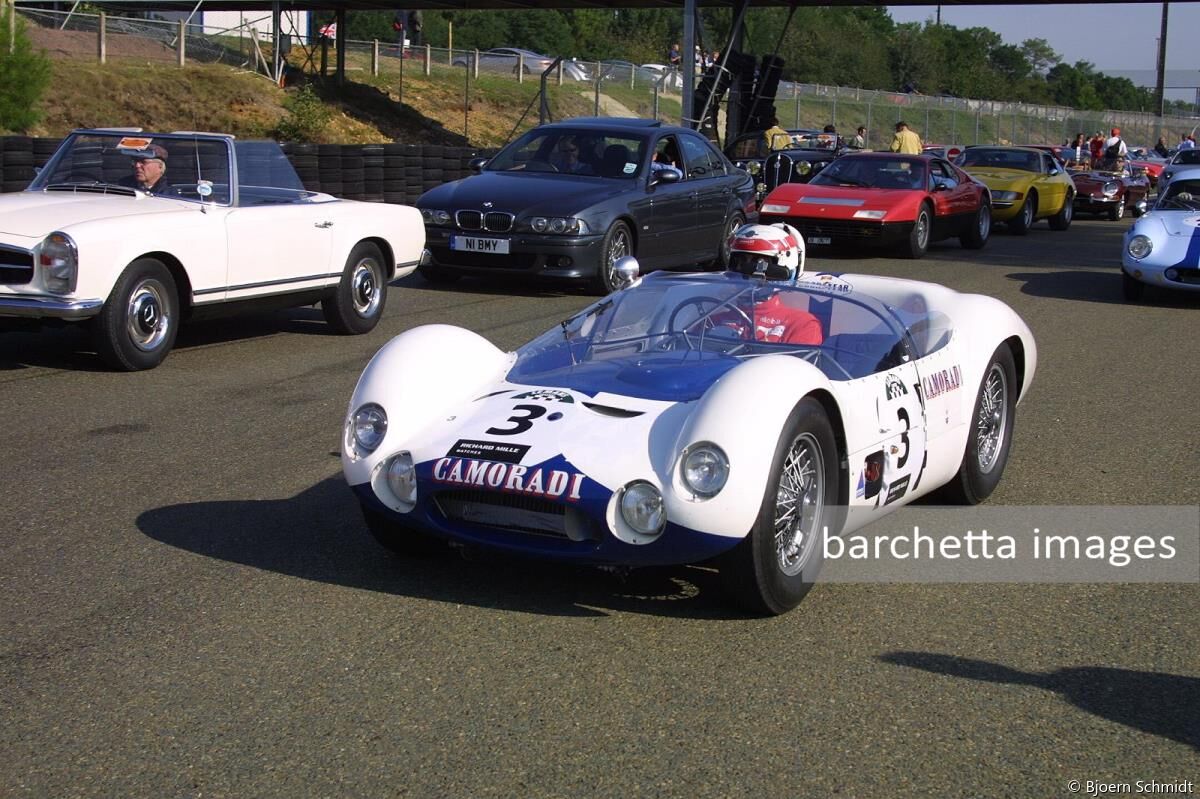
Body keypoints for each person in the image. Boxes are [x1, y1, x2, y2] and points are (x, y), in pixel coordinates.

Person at [723, 223, 823, 346]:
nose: (747, 272)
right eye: (740, 262)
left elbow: (794, 365)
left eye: (759, 264)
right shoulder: (710, 319)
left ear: (782, 269)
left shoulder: (802, 324)